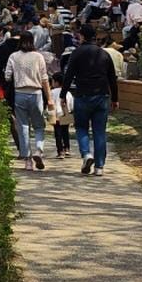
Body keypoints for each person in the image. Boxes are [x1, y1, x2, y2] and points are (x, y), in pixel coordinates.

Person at [60, 24, 119, 176]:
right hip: (102, 95)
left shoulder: (77, 53)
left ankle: (86, 154)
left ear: (82, 36)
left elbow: (68, 75)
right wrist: (115, 98)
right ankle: (99, 167)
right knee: (99, 131)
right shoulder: (104, 53)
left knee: (81, 128)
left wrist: (63, 94)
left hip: (82, 95)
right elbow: (112, 77)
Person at [8, 31, 51, 171]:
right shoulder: (38, 56)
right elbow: (45, 79)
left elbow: (7, 76)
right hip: (36, 93)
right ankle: (39, 150)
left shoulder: (14, 56)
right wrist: (49, 98)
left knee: (23, 126)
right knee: (39, 125)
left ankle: (27, 160)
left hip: (20, 92)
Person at [48, 73, 72, 158]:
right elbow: (71, 104)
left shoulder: (52, 92)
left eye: (53, 81)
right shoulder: (68, 92)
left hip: (56, 115)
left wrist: (48, 114)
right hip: (65, 114)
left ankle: (60, 151)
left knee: (58, 134)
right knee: (65, 132)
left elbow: (50, 104)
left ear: (57, 82)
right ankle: (67, 149)